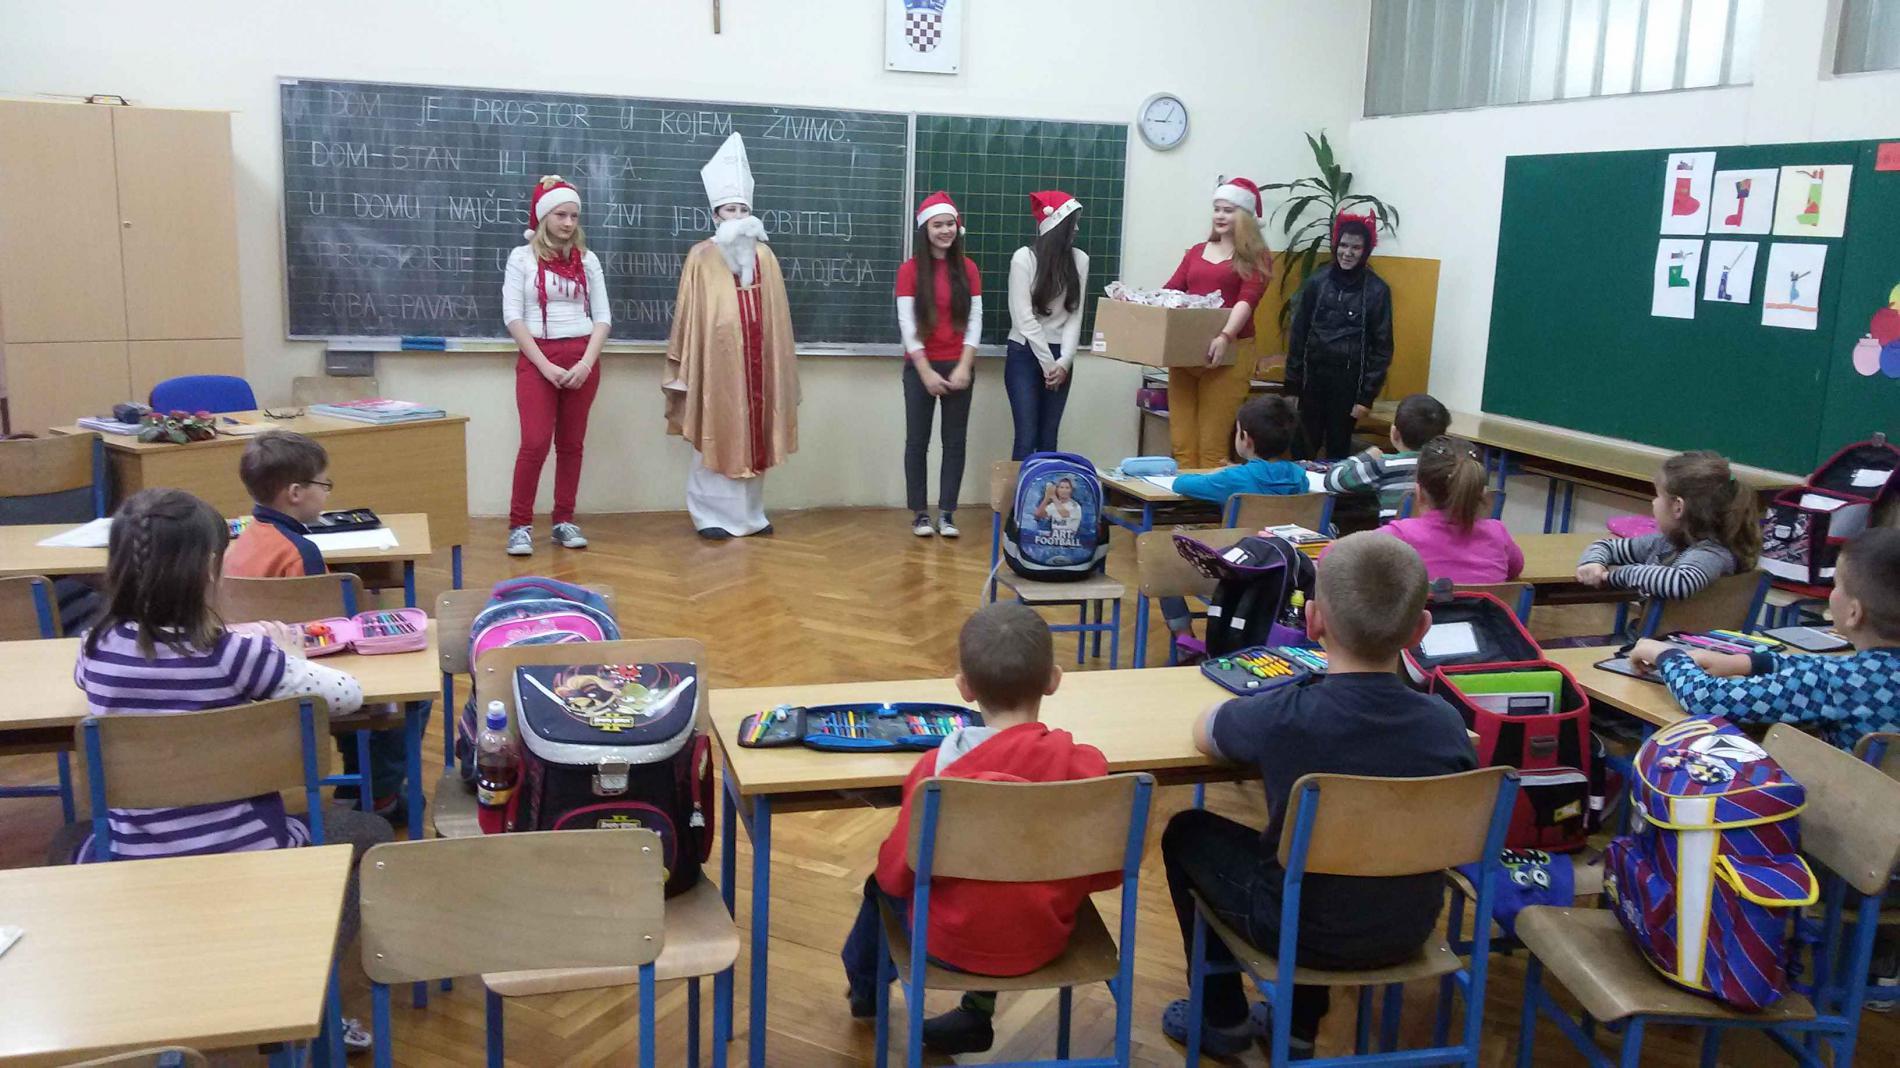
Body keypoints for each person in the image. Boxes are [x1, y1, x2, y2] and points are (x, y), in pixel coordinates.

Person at [68, 488, 392, 1047]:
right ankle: (305, 988)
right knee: (374, 834)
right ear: (209, 571)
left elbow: (89, 682)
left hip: (133, 854)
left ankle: (164, 988)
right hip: (249, 853)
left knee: (66, 841)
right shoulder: (236, 655)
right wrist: (287, 651)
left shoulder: (95, 649)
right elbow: (346, 694)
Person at [1160, 533, 1476, 1057]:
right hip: (1410, 925)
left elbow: (1206, 732)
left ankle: (1221, 1018)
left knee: (1187, 832)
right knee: (1334, 857)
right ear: (1421, 629)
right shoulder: (1447, 725)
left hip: (1295, 929)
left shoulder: (1288, 714)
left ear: (1313, 621)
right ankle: (1298, 1029)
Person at [839, 602, 1119, 1055]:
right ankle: (976, 1012)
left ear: (964, 688)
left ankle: (866, 991)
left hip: (947, 946)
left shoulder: (937, 774)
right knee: (1007, 883)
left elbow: (896, 875)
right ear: (1053, 680)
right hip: (1047, 938)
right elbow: (1106, 873)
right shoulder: (1085, 768)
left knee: (881, 888)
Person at [224, 431, 405, 817]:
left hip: (252, 676)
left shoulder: (241, 542)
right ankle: (380, 796)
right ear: (295, 493)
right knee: (405, 698)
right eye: (324, 485)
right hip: (296, 675)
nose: (327, 494)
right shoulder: (299, 552)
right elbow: (324, 631)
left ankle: (354, 788)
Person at [1627, 526, 1900, 753]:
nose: (1832, 593)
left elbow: (1706, 697)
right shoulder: (1855, 673)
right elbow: (1827, 668)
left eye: (1836, 585)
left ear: (1853, 613)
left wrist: (1666, 655)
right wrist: (1749, 663)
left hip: (1840, 802)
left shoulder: (1836, 682)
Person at [664, 132, 800, 540]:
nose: (738, 217)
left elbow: (777, 317)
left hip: (758, 365)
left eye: (743, 209)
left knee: (755, 432)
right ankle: (709, 515)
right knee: (717, 428)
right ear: (716, 215)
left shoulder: (765, 257)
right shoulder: (702, 256)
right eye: (730, 209)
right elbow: (690, 315)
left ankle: (751, 515)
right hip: (716, 364)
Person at [503, 175, 611, 557]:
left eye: (574, 216)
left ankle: (564, 520)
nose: (568, 223)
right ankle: (519, 525)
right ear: (544, 216)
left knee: (571, 445)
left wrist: (586, 363)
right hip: (538, 359)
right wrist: (545, 366)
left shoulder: (588, 260)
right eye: (561, 215)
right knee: (534, 443)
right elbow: (513, 317)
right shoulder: (521, 258)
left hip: (582, 358)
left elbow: (603, 317)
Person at [1160, 395, 1307, 642]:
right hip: (1285, 568)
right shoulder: (1299, 476)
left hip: (1237, 567)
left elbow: (1181, 483)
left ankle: (1184, 637)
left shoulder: (1234, 479)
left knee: (1163, 563)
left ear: (1245, 439)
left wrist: (1224, 472)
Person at [1161, 178, 1274, 469]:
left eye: (1228, 210)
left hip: (1230, 354)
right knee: (1182, 445)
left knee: (1212, 447)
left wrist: (1225, 336)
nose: (1220, 216)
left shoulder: (1256, 257)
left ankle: (1209, 498)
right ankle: (1185, 496)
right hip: (1186, 354)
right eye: (1217, 209)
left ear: (1245, 216)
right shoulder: (1196, 252)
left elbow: (1247, 301)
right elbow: (1171, 291)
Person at [896, 191, 982, 538]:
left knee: (955, 442)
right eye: (938, 225)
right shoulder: (909, 270)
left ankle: (947, 513)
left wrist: (964, 366)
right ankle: (920, 513)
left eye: (950, 224)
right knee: (917, 442)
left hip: (958, 364)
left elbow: (975, 320)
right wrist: (926, 371)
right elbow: (907, 324)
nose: (946, 230)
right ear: (925, 229)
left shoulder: (969, 268)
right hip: (920, 368)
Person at [1576, 450, 1759, 605]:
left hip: (1679, 637)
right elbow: (1606, 546)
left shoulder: (1712, 554)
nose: (1653, 502)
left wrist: (1612, 576)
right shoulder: (1664, 542)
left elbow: (1680, 583)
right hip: (1662, 635)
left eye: (1658, 496)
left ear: (1678, 507)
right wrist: (1593, 563)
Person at [1286, 213, 1395, 461]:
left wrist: (1366, 397)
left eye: (1356, 248)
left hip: (1348, 387)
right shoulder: (1316, 282)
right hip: (1311, 382)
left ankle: (1336, 488)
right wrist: (1292, 385)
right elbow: (1299, 334)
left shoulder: (1378, 290)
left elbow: (1382, 348)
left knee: (1338, 449)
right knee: (1302, 448)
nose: (1348, 253)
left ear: (1365, 251)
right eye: (1343, 245)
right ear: (1336, 245)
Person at [1004, 190, 1089, 459]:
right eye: (1072, 223)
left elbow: (1075, 315)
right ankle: (1022, 489)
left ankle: (1047, 487)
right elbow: (1024, 320)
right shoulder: (1023, 259)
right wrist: (1049, 364)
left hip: (1060, 356)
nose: (1076, 229)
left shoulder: (1080, 260)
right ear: (1057, 225)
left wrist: (1065, 361)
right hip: (1025, 353)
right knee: (1026, 436)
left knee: (1048, 437)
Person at [1370, 436, 1523, 584]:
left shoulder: (1394, 537)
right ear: (1481, 494)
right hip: (1486, 603)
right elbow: (1515, 569)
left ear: (1419, 493)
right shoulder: (1498, 534)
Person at [1322, 392, 1450, 524]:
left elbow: (1333, 480)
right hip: (1437, 535)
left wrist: (1366, 457)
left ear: (1395, 433)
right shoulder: (1451, 467)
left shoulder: (1385, 465)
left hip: (1393, 536)